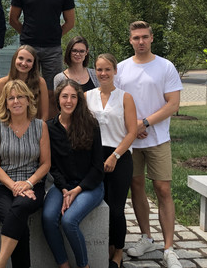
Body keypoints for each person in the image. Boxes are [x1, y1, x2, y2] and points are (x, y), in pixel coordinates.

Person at [114, 21, 183, 268]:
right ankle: (146, 237)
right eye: (136, 38)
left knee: (163, 189)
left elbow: (173, 104)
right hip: (130, 139)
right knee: (137, 187)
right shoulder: (121, 69)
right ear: (130, 40)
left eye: (144, 37)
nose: (140, 41)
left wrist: (145, 123)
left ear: (152, 38)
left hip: (158, 138)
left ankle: (168, 248)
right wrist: (133, 126)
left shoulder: (165, 67)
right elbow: (117, 103)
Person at [0, 79, 51, 268]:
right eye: (11, 98)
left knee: (20, 208)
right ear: (5, 103)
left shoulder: (40, 126)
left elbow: (46, 163)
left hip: (33, 185)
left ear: (28, 100)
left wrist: (28, 183)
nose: (16, 101)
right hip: (0, 186)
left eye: (20, 97)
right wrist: (14, 186)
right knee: (17, 221)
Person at [43, 79, 105, 268]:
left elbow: (98, 167)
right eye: (64, 96)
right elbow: (51, 166)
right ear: (58, 99)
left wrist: (76, 190)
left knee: (69, 220)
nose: (68, 101)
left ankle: (83, 265)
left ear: (78, 100)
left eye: (73, 97)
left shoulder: (91, 125)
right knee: (47, 218)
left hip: (89, 185)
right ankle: (63, 264)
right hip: (63, 184)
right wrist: (63, 189)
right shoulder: (49, 127)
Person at [10, 0, 75, 118]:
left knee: (53, 93)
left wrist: (54, 34)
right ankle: (25, 124)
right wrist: (27, 34)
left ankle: (49, 129)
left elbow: (70, 22)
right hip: (28, 49)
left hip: (53, 50)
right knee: (24, 90)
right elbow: (13, 19)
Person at [86, 54, 138, 268]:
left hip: (120, 156)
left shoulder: (125, 97)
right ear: (95, 71)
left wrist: (115, 155)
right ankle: (104, 245)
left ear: (115, 71)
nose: (103, 73)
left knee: (116, 209)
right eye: (99, 69)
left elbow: (132, 131)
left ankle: (118, 251)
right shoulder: (87, 96)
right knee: (100, 206)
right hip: (95, 157)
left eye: (107, 69)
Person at [0, 45, 49, 120]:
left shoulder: (40, 82)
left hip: (34, 127)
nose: (23, 63)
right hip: (8, 127)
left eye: (29, 60)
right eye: (21, 58)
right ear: (14, 59)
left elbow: (44, 115)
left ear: (33, 64)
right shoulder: (2, 83)